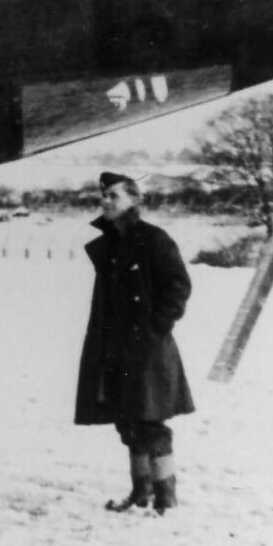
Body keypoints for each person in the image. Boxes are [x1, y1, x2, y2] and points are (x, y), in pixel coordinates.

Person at [74, 172, 193, 514]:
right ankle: (141, 494)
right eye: (104, 196)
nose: (106, 202)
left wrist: (155, 329)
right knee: (126, 420)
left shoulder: (154, 240)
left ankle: (166, 500)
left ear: (134, 200)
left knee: (150, 421)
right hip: (114, 349)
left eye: (114, 196)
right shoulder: (112, 243)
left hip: (148, 350)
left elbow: (178, 286)